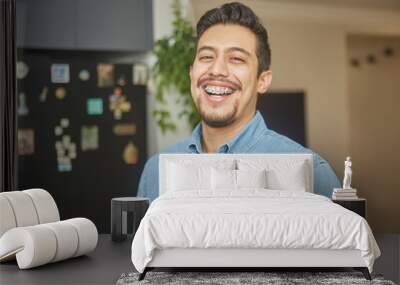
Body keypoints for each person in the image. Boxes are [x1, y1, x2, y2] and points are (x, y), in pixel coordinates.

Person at [137, 2, 340, 201]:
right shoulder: (155, 171)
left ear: (263, 81)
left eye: (236, 59)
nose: (217, 70)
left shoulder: (311, 172)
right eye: (207, 56)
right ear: (191, 73)